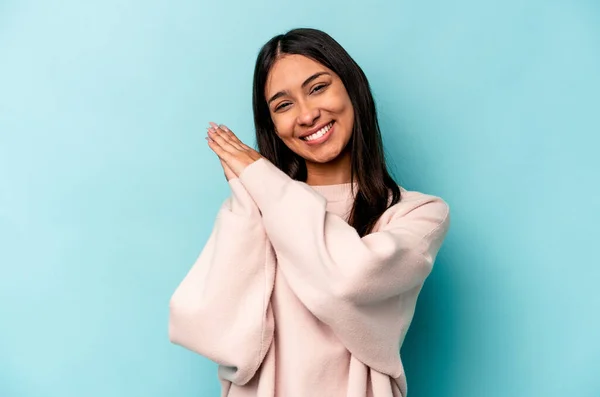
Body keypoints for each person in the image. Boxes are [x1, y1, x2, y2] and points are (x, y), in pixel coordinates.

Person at [168, 28, 451, 397]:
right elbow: (211, 328)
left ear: (353, 88)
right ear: (273, 125)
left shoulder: (417, 214)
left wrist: (263, 180)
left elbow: (346, 281)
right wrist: (251, 193)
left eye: (318, 88)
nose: (307, 114)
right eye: (283, 105)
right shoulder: (257, 206)